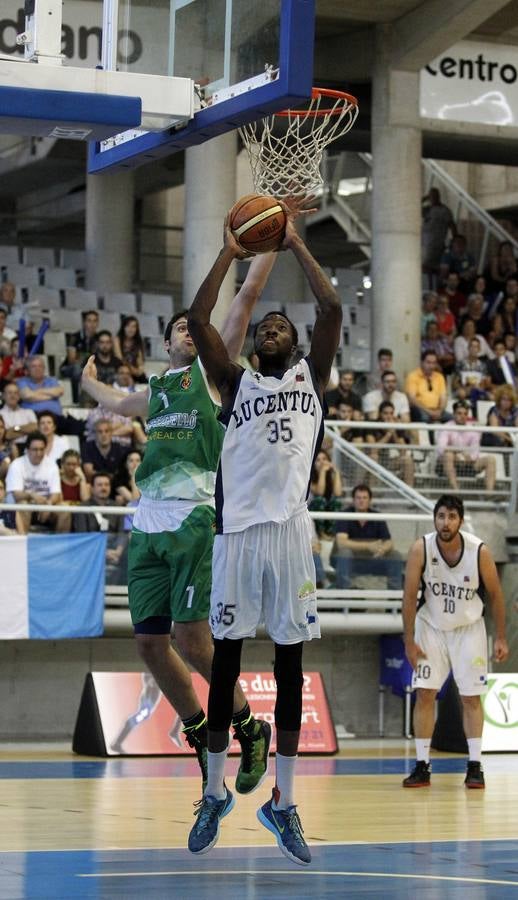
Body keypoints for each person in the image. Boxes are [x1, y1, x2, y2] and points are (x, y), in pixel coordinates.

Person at [80, 248, 278, 796]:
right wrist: (88, 382)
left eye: (195, 328)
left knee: (192, 642)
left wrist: (268, 243)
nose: (190, 333)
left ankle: (247, 726)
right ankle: (196, 730)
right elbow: (119, 404)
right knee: (148, 644)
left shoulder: (210, 378)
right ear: (166, 344)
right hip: (147, 524)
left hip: (193, 517)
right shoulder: (159, 391)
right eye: (180, 330)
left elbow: (244, 301)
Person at [185, 199, 340, 867]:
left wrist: (297, 241)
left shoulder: (313, 375)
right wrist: (232, 251)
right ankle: (216, 790)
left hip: (291, 535)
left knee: (289, 663)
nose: (273, 327)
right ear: (252, 346)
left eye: (282, 325)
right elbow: (196, 321)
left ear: (297, 346)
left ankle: (283, 800)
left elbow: (330, 308)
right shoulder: (234, 382)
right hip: (238, 535)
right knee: (224, 663)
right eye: (265, 326)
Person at [402, 494, 508, 789]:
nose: (445, 522)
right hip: (431, 627)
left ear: (460, 520)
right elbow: (410, 597)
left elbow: (497, 596)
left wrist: (500, 636)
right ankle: (422, 764)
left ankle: (475, 765)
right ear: (434, 519)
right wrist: (409, 641)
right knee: (424, 693)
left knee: (471, 697)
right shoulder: (420, 548)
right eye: (440, 516)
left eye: (451, 516)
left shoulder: (479, 551)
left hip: (469, 629)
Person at [330, 483, 402, 591]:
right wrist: (368, 546)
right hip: (349, 560)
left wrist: (383, 549)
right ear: (353, 500)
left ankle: (394, 599)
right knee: (345, 553)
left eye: (364, 498)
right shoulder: (344, 515)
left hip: (372, 560)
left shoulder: (377, 516)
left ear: (370, 500)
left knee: (395, 555)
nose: (361, 500)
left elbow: (389, 542)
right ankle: (343, 596)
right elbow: (342, 543)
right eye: (358, 498)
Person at [5, 431, 62, 534]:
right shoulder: (17, 465)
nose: (39, 453)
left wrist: (49, 504)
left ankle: (62, 546)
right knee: (23, 505)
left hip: (45, 505)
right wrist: (32, 495)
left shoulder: (52, 465)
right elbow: (16, 495)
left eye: (41, 449)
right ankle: (23, 545)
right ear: (27, 450)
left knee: (64, 511)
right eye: (35, 450)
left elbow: (56, 494)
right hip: (23, 505)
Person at [435, 399, 496, 492]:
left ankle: (490, 494)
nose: (463, 416)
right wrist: (458, 454)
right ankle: (456, 490)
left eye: (465, 414)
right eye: (459, 413)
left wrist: (469, 458)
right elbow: (441, 449)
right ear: (454, 414)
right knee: (448, 455)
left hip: (467, 464)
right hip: (448, 464)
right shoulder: (446, 427)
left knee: (490, 460)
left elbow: (475, 452)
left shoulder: (472, 429)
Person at [371, 401, 415, 487]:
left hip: (389, 462)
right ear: (380, 414)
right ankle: (373, 491)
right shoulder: (372, 425)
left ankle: (409, 493)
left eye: (391, 413)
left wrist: (393, 432)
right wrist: (388, 434)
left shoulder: (396, 426)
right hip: (374, 460)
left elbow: (403, 451)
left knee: (407, 460)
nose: (389, 416)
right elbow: (372, 450)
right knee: (373, 457)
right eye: (385, 413)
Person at [60, 309, 100, 403]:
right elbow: (71, 360)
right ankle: (76, 400)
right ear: (84, 322)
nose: (92, 324)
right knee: (77, 369)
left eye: (95, 321)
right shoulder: (74, 337)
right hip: (69, 368)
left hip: (88, 367)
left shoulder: (99, 338)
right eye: (89, 320)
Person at [421, 188, 456, 286]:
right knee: (424, 267)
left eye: (434, 195)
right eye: (431, 196)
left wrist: (454, 241)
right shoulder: (428, 209)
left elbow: (452, 225)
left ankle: (436, 286)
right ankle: (428, 285)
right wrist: (424, 198)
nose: (432, 198)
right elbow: (414, 207)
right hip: (425, 245)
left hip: (437, 244)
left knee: (433, 267)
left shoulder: (444, 210)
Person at [405, 350, 450, 424]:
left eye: (434, 363)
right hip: (420, 410)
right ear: (422, 362)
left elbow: (443, 397)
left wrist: (440, 410)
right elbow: (412, 399)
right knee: (425, 418)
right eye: (428, 362)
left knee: (452, 419)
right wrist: (429, 411)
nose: (431, 366)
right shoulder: (413, 376)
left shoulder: (439, 377)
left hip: (437, 410)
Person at [308, 449, 343, 539]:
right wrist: (323, 472)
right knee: (320, 500)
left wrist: (337, 472)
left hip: (326, 510)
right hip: (312, 510)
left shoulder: (331, 476)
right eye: (318, 460)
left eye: (324, 459)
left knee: (336, 502)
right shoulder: (309, 477)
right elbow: (319, 492)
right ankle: (321, 533)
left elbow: (338, 493)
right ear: (313, 463)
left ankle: (331, 532)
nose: (322, 462)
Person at [114, 316, 147, 383]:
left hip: (134, 371)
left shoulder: (138, 342)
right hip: (121, 369)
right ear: (123, 327)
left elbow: (140, 362)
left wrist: (139, 371)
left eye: (134, 326)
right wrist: (132, 370)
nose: (131, 329)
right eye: (128, 326)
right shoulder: (117, 340)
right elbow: (119, 358)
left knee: (144, 379)